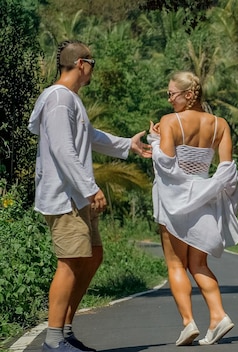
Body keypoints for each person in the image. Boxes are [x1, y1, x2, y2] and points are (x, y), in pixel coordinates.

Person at [27, 40, 152, 352]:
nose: (93, 69)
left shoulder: (70, 100)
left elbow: (88, 136)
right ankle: (53, 341)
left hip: (75, 196)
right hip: (65, 195)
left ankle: (64, 331)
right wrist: (89, 187)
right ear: (81, 64)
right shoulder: (59, 99)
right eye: (92, 63)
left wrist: (127, 145)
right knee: (69, 262)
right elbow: (62, 149)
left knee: (92, 256)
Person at [148, 71, 238, 346]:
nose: (169, 99)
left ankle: (188, 323)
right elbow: (227, 170)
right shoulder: (220, 125)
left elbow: (166, 165)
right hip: (205, 197)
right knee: (199, 263)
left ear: (188, 95)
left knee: (176, 263)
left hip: (174, 201)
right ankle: (218, 316)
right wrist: (211, 192)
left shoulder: (170, 122)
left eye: (172, 94)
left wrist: (154, 141)